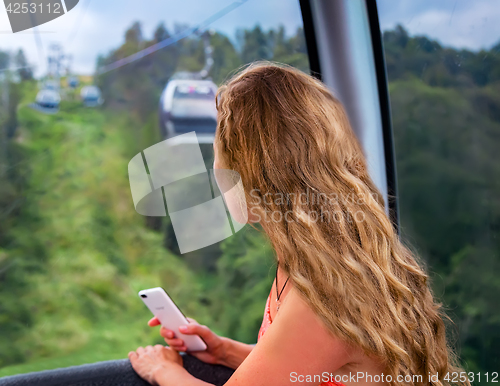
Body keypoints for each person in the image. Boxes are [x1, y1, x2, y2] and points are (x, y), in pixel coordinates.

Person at [128, 61, 470, 386]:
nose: (215, 166)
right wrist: (226, 351)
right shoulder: (321, 263)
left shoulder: (327, 293)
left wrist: (163, 371)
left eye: (219, 150)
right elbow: (314, 369)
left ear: (252, 173)